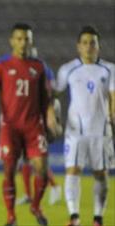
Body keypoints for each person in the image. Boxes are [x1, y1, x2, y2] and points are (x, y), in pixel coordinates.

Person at [0, 23, 60, 226]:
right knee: (9, 170)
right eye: (19, 38)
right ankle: (11, 216)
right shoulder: (0, 65)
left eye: (26, 38)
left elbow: (46, 98)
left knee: (42, 170)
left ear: (31, 41)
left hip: (34, 126)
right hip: (10, 127)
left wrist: (51, 119)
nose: (23, 42)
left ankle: (35, 205)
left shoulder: (39, 66)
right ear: (12, 41)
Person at [54, 26, 115, 226]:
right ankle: (74, 218)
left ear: (98, 46)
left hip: (102, 132)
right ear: (78, 46)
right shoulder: (67, 69)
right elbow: (53, 96)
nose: (89, 46)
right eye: (85, 42)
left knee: (101, 174)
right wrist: (52, 117)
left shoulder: (110, 69)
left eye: (93, 42)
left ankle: (98, 218)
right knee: (72, 170)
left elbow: (113, 99)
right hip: (75, 132)